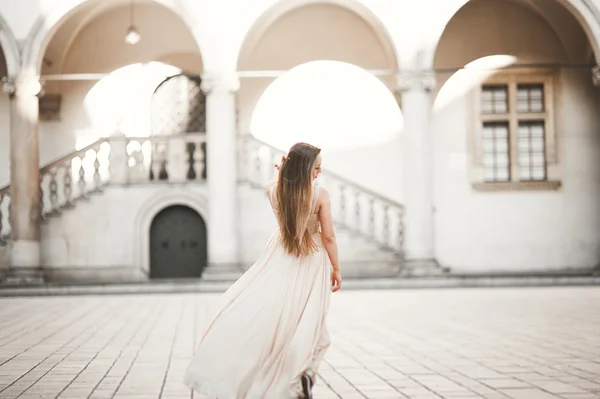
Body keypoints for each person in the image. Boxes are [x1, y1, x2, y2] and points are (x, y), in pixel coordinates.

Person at [184, 142, 342, 399]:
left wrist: (282, 174)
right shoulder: (320, 195)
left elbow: (283, 191)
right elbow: (330, 236)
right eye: (316, 168)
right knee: (310, 320)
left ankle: (293, 375)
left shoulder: (273, 190)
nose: (319, 173)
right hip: (312, 260)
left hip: (280, 256)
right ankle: (303, 373)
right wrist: (336, 268)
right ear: (304, 168)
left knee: (281, 317)